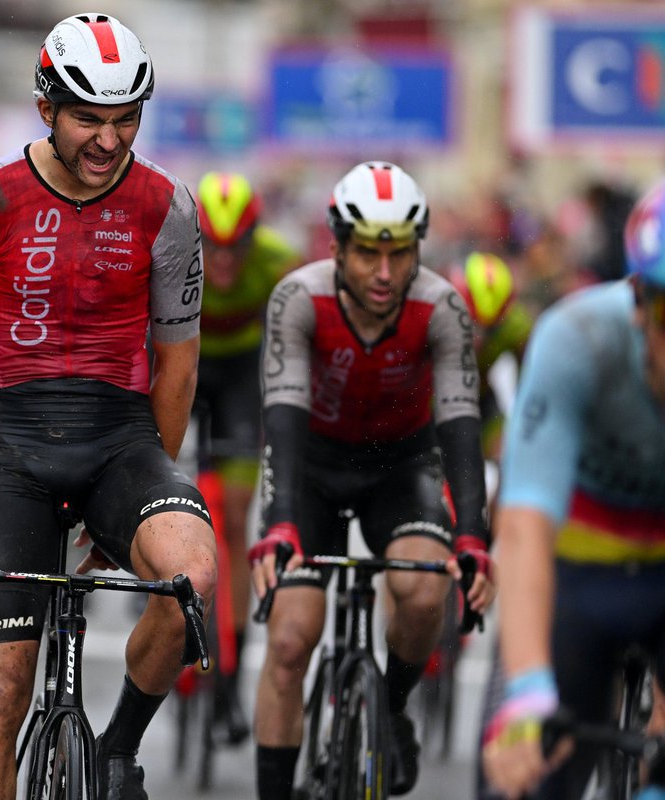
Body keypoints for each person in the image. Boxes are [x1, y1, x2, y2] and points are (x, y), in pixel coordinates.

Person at [0, 13, 217, 800]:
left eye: (126, 119)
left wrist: (139, 501)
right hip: (12, 449)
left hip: (121, 441)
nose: (109, 140)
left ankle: (118, 747)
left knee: (192, 584)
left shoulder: (168, 207)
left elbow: (178, 365)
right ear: (46, 107)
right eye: (89, 119)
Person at [247, 161, 497, 798]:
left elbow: (461, 428)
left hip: (400, 466)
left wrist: (473, 538)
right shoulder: (300, 299)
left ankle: (390, 707)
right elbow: (282, 419)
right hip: (311, 467)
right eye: (366, 254)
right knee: (292, 639)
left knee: (421, 591)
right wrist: (279, 521)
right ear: (336, 246)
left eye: (400, 254)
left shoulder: (440, 306)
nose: (384, 274)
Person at [481, 179, 665, 799]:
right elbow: (526, 526)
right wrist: (530, 693)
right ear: (638, 302)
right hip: (580, 570)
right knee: (525, 772)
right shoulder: (577, 338)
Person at [192, 170, 300, 742]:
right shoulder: (172, 249)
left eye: (236, 247)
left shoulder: (279, 263)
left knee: (234, 518)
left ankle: (229, 683)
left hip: (238, 379)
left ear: (254, 238)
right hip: (182, 364)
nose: (224, 261)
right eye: (212, 246)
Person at [447, 251, 535, 462]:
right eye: (468, 324)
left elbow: (532, 387)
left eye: (489, 330)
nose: (478, 341)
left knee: (507, 450)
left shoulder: (517, 328)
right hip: (427, 400)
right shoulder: (425, 318)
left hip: (480, 401)